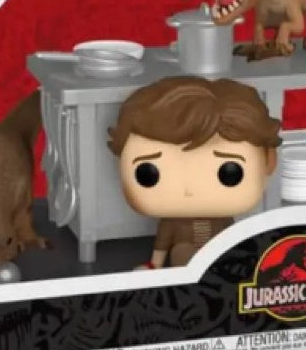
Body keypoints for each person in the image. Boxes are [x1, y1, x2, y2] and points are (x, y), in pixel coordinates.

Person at [108, 76, 281, 268]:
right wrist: (154, 265)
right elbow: (161, 245)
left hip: (222, 259)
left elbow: (233, 241)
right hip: (185, 259)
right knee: (184, 255)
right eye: (148, 174)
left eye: (229, 173)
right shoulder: (171, 222)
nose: (189, 189)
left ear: (269, 161)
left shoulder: (223, 220)